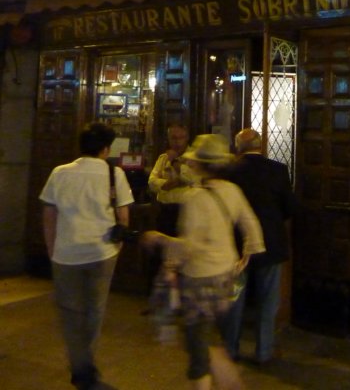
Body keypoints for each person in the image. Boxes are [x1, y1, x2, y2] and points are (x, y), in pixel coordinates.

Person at [141, 134, 265, 390]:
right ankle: (232, 383)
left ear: (200, 164)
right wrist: (245, 257)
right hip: (226, 276)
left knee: (198, 347)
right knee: (207, 337)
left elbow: (191, 246)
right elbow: (251, 226)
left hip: (200, 279)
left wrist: (160, 240)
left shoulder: (195, 198)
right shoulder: (232, 191)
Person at [40, 122, 135, 390]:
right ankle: (86, 364)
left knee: (71, 313)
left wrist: (51, 248)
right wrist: (118, 247)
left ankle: (80, 366)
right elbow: (123, 215)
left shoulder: (60, 173)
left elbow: (49, 214)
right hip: (102, 252)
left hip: (66, 253)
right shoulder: (114, 173)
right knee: (95, 309)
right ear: (105, 149)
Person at [222, 128, 297, 364]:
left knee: (234, 299)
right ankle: (264, 351)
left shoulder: (230, 171)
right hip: (269, 243)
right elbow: (289, 207)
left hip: (236, 244)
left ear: (237, 147)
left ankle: (230, 349)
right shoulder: (277, 170)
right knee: (268, 301)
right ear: (260, 144)